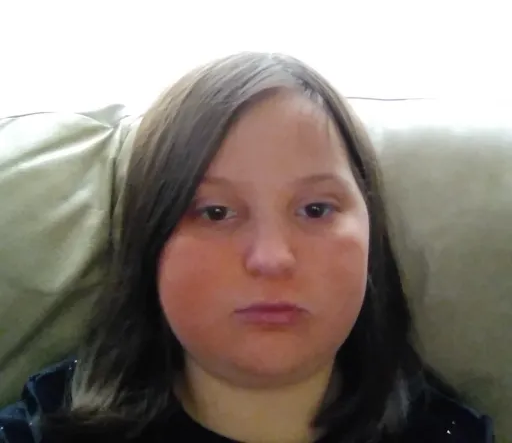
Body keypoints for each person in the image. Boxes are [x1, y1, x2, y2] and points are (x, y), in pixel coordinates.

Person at [0, 53, 493, 442]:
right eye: (216, 212)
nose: (272, 258)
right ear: (149, 242)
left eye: (315, 210)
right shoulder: (45, 425)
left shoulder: (447, 433)